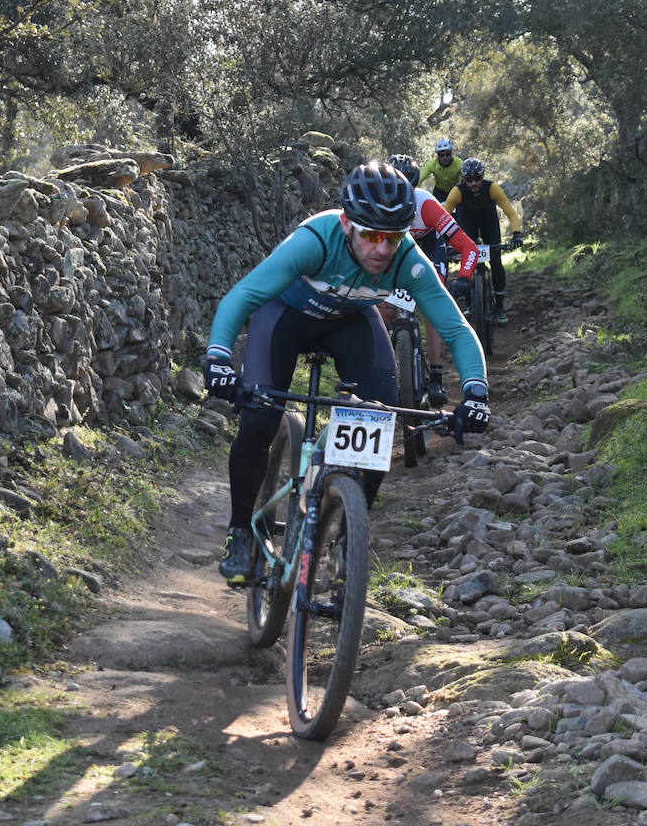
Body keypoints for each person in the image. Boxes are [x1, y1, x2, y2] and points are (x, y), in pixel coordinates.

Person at [201, 162, 492, 584]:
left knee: (380, 418)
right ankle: (240, 529)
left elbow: (455, 328)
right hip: (284, 318)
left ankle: (347, 538)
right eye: (371, 235)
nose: (382, 249)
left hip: (349, 321)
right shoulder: (316, 240)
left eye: (393, 237)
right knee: (260, 417)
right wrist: (218, 358)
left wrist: (476, 392)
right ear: (346, 224)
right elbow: (243, 295)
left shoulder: (407, 260)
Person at [380, 153, 480, 407]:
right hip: (395, 250)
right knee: (381, 309)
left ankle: (435, 376)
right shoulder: (377, 204)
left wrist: (465, 277)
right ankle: (380, 368)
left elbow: (469, 248)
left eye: (406, 189)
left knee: (433, 307)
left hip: (429, 248)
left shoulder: (426, 204)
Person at [444, 157, 524, 325]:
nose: (473, 183)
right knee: (467, 262)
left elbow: (511, 213)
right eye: (469, 180)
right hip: (467, 224)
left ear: (483, 177)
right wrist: (442, 241)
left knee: (496, 262)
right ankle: (470, 303)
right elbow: (442, 217)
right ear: (463, 179)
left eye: (477, 179)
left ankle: (500, 307)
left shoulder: (492, 188)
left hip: (489, 224)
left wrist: (516, 234)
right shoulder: (457, 192)